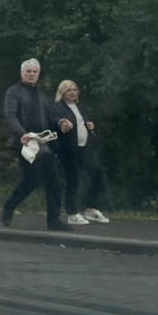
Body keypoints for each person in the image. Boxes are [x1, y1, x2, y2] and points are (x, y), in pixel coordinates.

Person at [2, 58, 73, 231]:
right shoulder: (14, 92)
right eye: (29, 71)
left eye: (35, 71)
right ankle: (9, 206)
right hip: (24, 143)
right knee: (32, 180)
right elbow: (10, 115)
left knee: (54, 179)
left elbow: (49, 118)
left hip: (43, 143)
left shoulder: (41, 95)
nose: (32, 74)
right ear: (22, 73)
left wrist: (61, 121)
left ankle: (54, 220)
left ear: (38, 74)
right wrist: (22, 133)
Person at [49, 80, 109, 225]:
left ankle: (91, 208)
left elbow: (84, 121)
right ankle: (72, 214)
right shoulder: (57, 107)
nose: (73, 93)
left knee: (97, 173)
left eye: (75, 90)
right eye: (69, 90)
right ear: (62, 92)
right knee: (73, 179)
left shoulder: (80, 106)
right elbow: (54, 120)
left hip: (83, 147)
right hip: (68, 149)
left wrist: (90, 125)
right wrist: (62, 123)